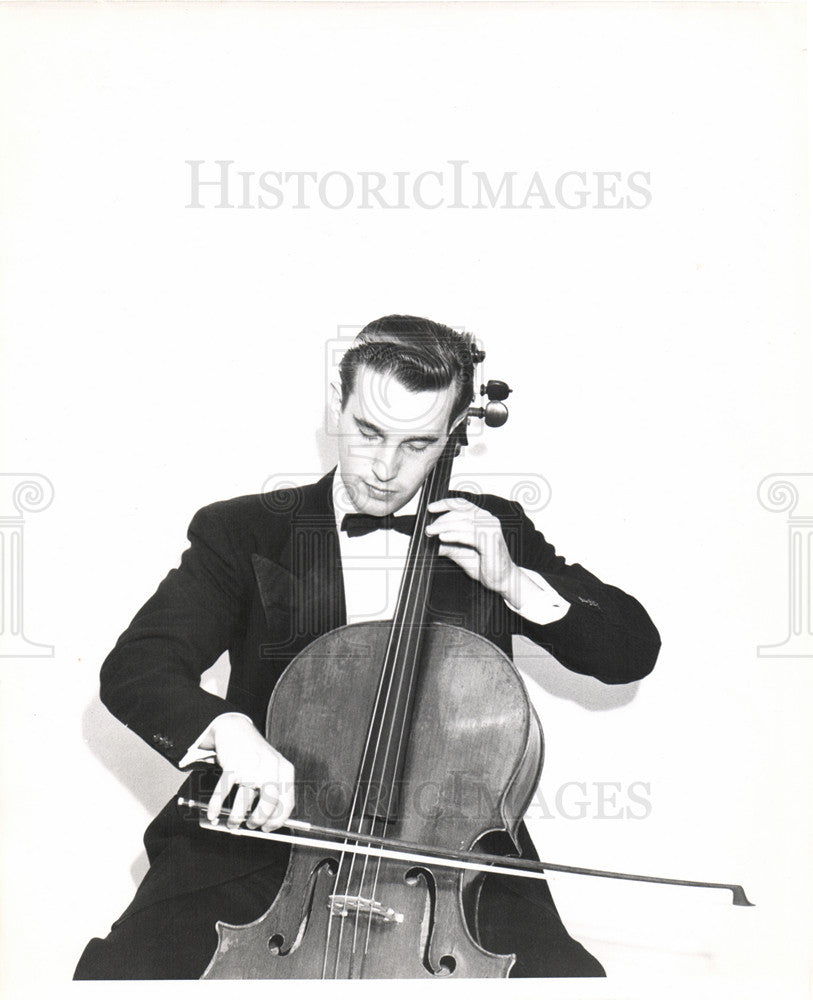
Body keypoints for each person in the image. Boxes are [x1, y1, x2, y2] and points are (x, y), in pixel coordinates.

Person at [74, 315, 660, 979]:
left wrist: (513, 579)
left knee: (566, 985)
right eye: (369, 433)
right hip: (265, 841)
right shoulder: (243, 532)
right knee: (124, 977)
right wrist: (226, 729)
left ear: (453, 434)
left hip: (449, 863)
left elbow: (628, 652)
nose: (385, 468)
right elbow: (138, 668)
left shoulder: (495, 530)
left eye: (418, 444)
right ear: (337, 404)